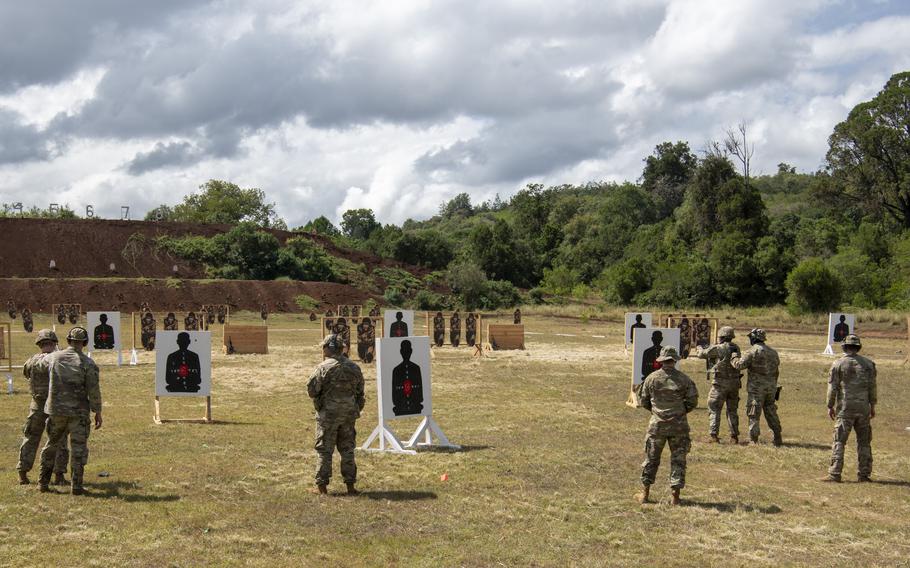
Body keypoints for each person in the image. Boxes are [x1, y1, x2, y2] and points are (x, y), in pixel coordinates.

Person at [38, 327, 102, 495]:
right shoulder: (88, 364)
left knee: (51, 445)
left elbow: (37, 366)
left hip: (56, 411)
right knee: (78, 449)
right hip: (78, 413)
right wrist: (98, 411)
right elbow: (93, 390)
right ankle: (77, 486)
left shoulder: (53, 357)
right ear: (84, 343)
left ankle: (43, 483)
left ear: (68, 340)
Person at [637, 346, 698, 505]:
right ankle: (675, 497)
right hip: (679, 426)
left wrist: (657, 412)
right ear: (675, 360)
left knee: (651, 459)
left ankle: (645, 494)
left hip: (657, 426)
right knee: (678, 460)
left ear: (662, 360)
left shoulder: (651, 378)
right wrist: (679, 412)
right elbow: (692, 402)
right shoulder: (684, 379)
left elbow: (643, 400)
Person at [307, 334, 365, 495]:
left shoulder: (323, 368)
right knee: (347, 449)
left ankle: (322, 487)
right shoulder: (354, 367)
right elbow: (360, 392)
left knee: (325, 450)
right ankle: (350, 485)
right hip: (348, 415)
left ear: (328, 348)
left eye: (323, 347)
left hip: (328, 416)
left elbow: (312, 391)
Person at [17, 330, 69, 486]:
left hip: (37, 404)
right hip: (56, 405)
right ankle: (59, 475)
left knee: (31, 438)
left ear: (39, 344)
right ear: (54, 343)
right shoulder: (59, 359)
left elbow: (26, 373)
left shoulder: (32, 361)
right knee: (59, 440)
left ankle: (23, 472)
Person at [823, 334, 876, 482]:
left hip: (845, 408)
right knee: (864, 442)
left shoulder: (838, 364)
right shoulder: (869, 364)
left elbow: (832, 387)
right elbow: (872, 387)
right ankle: (864, 475)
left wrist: (829, 405)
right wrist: (872, 405)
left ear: (844, 346)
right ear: (858, 347)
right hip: (863, 408)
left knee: (839, 441)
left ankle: (835, 474)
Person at [732, 328, 782, 446]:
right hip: (771, 388)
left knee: (753, 413)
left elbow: (739, 365)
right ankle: (777, 437)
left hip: (756, 389)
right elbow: (776, 370)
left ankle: (753, 439)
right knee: (771, 412)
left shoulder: (752, 351)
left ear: (754, 338)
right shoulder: (773, 352)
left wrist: (733, 356)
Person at [694, 326, 742, 443]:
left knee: (714, 408)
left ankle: (714, 435)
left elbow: (702, 354)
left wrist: (699, 348)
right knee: (732, 410)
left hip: (720, 384)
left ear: (722, 336)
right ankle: (734, 436)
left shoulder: (719, 348)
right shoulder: (736, 347)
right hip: (734, 384)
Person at [392, 340, 423, 416]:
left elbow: (419, 390)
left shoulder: (416, 368)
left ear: (411, 351)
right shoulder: (396, 370)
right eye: (404, 351)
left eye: (408, 351)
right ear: (401, 352)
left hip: (415, 406)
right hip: (400, 407)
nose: (406, 353)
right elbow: (395, 393)